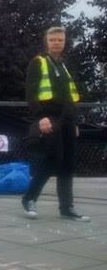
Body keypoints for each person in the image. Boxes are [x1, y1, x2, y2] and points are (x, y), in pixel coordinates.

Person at [21, 26, 89, 222]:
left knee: (68, 164)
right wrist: (40, 117)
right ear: (47, 42)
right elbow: (31, 93)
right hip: (49, 116)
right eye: (53, 40)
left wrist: (73, 122)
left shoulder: (63, 65)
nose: (57, 43)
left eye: (60, 40)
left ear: (64, 41)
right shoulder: (38, 62)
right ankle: (29, 199)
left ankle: (67, 208)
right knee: (52, 160)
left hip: (67, 119)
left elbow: (69, 96)